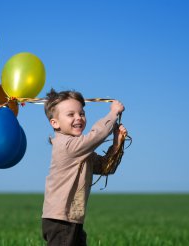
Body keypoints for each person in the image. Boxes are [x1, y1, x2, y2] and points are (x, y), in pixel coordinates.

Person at [41, 88, 127, 245]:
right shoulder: (67, 146)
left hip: (72, 218)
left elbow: (105, 168)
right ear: (55, 123)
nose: (78, 118)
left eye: (81, 113)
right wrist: (113, 114)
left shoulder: (80, 150)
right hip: (60, 220)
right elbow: (96, 136)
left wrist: (117, 144)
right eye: (70, 114)